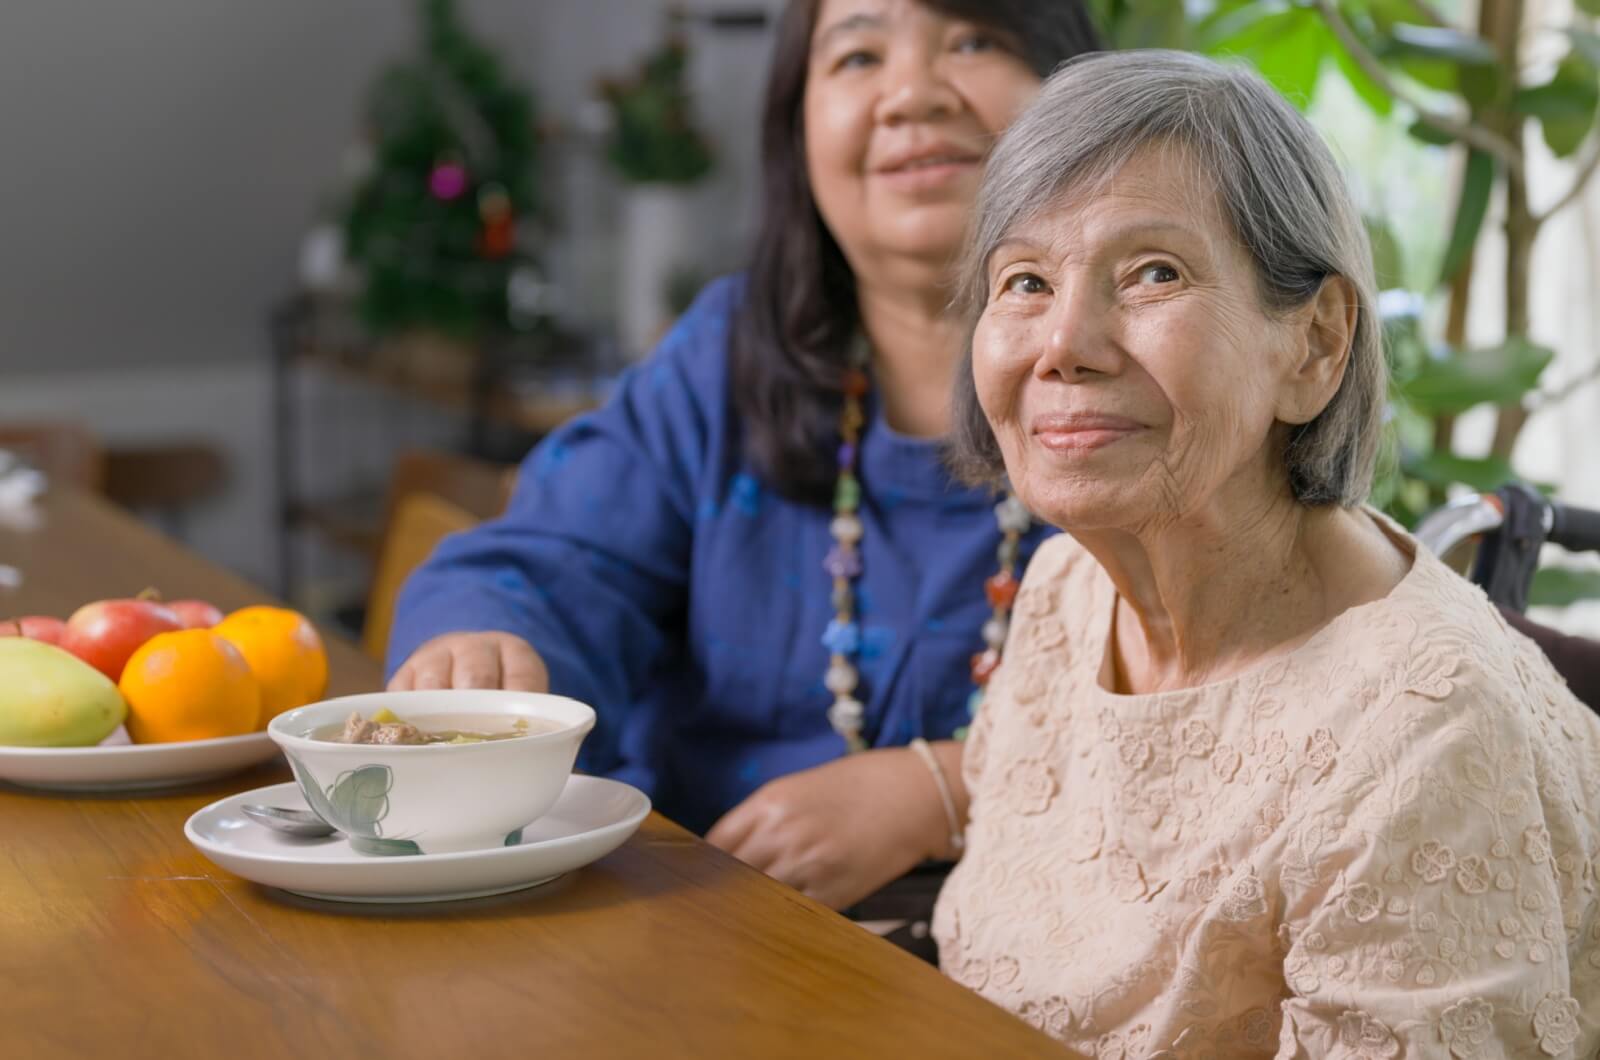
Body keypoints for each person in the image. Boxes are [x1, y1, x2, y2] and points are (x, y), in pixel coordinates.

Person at [936, 50, 1600, 1054]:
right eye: (1024, 281)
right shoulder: (1067, 589)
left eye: (1151, 272)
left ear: (1315, 344)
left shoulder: (1421, 733)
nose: (1062, 342)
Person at [385, 0, 1100, 913]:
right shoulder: (724, 355)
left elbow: (1245, 719)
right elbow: (549, 565)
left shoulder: (1154, 387)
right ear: (795, 129)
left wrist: (945, 788)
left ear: (1078, 96)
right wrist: (481, 644)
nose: (911, 94)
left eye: (971, 40)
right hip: (705, 928)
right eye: (857, 57)